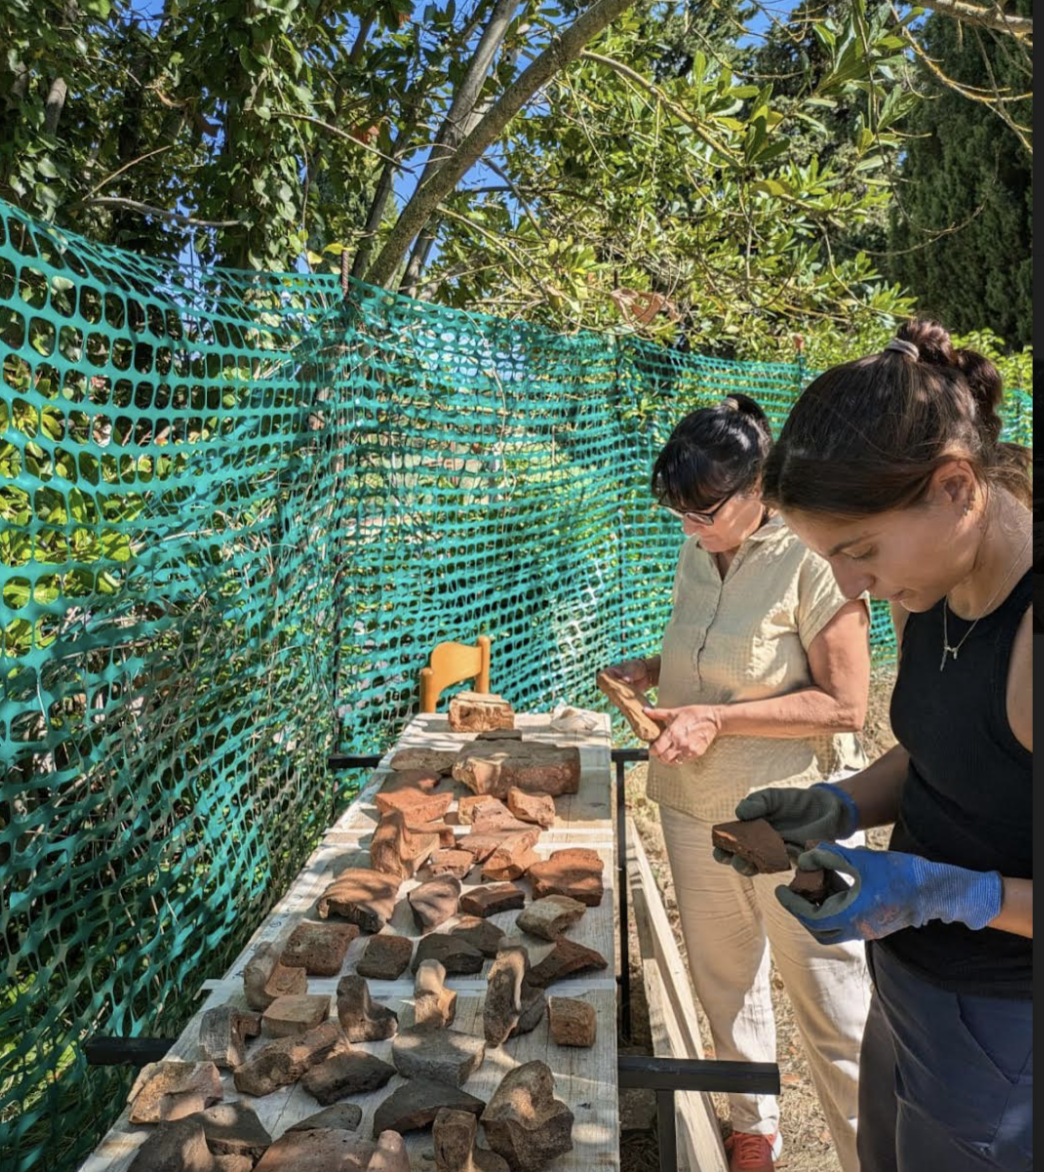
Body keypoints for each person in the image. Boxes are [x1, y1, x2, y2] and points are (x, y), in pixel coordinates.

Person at [716, 320, 1032, 1171]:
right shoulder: (927, 588)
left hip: (1007, 1030)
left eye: (858, 552)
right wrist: (845, 801)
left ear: (955, 488)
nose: (851, 586)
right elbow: (947, 753)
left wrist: (945, 891)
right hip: (910, 981)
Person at [601, 394, 873, 1172]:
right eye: (678, 514)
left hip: (791, 818)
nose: (689, 529)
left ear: (759, 486)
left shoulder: (814, 557)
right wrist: (653, 671)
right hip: (691, 808)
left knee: (832, 1001)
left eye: (704, 512)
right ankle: (753, 1127)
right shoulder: (699, 546)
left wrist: (717, 722)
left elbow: (844, 703)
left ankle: (868, 1147)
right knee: (725, 982)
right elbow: (718, 651)